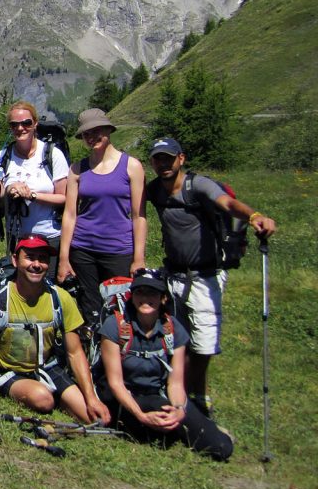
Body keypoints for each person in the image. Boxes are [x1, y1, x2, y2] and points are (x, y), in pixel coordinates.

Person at [146, 137, 276, 413]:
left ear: (181, 158)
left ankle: (196, 392)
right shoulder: (154, 190)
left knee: (203, 343)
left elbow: (228, 204)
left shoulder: (199, 185)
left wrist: (254, 217)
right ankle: (184, 391)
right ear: (152, 162)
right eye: (158, 159)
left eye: (169, 158)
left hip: (205, 276)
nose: (164, 164)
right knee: (175, 338)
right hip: (174, 274)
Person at [0, 235, 110, 425]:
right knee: (43, 399)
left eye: (42, 258)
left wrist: (91, 398)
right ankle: (51, 395)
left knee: (96, 418)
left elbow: (75, 353)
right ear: (15, 260)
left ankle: (64, 398)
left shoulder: (60, 298)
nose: (36, 264)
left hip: (48, 367)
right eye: (30, 257)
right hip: (7, 371)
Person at [97, 268, 234, 460]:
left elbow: (176, 383)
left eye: (152, 292)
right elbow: (115, 383)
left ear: (163, 298)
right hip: (124, 398)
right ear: (132, 296)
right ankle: (151, 425)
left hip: (159, 394)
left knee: (221, 447)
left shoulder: (173, 328)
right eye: (139, 292)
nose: (145, 298)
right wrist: (142, 415)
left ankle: (173, 425)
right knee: (160, 418)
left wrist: (178, 410)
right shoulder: (115, 326)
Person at [57, 108, 147, 326]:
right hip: (83, 249)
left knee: (120, 307)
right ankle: (91, 354)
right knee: (89, 308)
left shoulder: (132, 166)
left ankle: (118, 356)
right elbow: (70, 214)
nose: (92, 137)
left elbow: (139, 216)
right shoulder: (77, 170)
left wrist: (139, 258)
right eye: (87, 133)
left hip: (118, 250)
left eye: (97, 131)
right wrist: (64, 258)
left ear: (108, 130)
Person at [0, 102, 69, 277]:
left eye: (26, 123)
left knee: (46, 288)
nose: (20, 128)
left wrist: (32, 195)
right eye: (14, 124)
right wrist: (9, 189)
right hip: (17, 237)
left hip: (48, 235)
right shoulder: (3, 156)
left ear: (35, 124)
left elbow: (64, 198)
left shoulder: (53, 154)